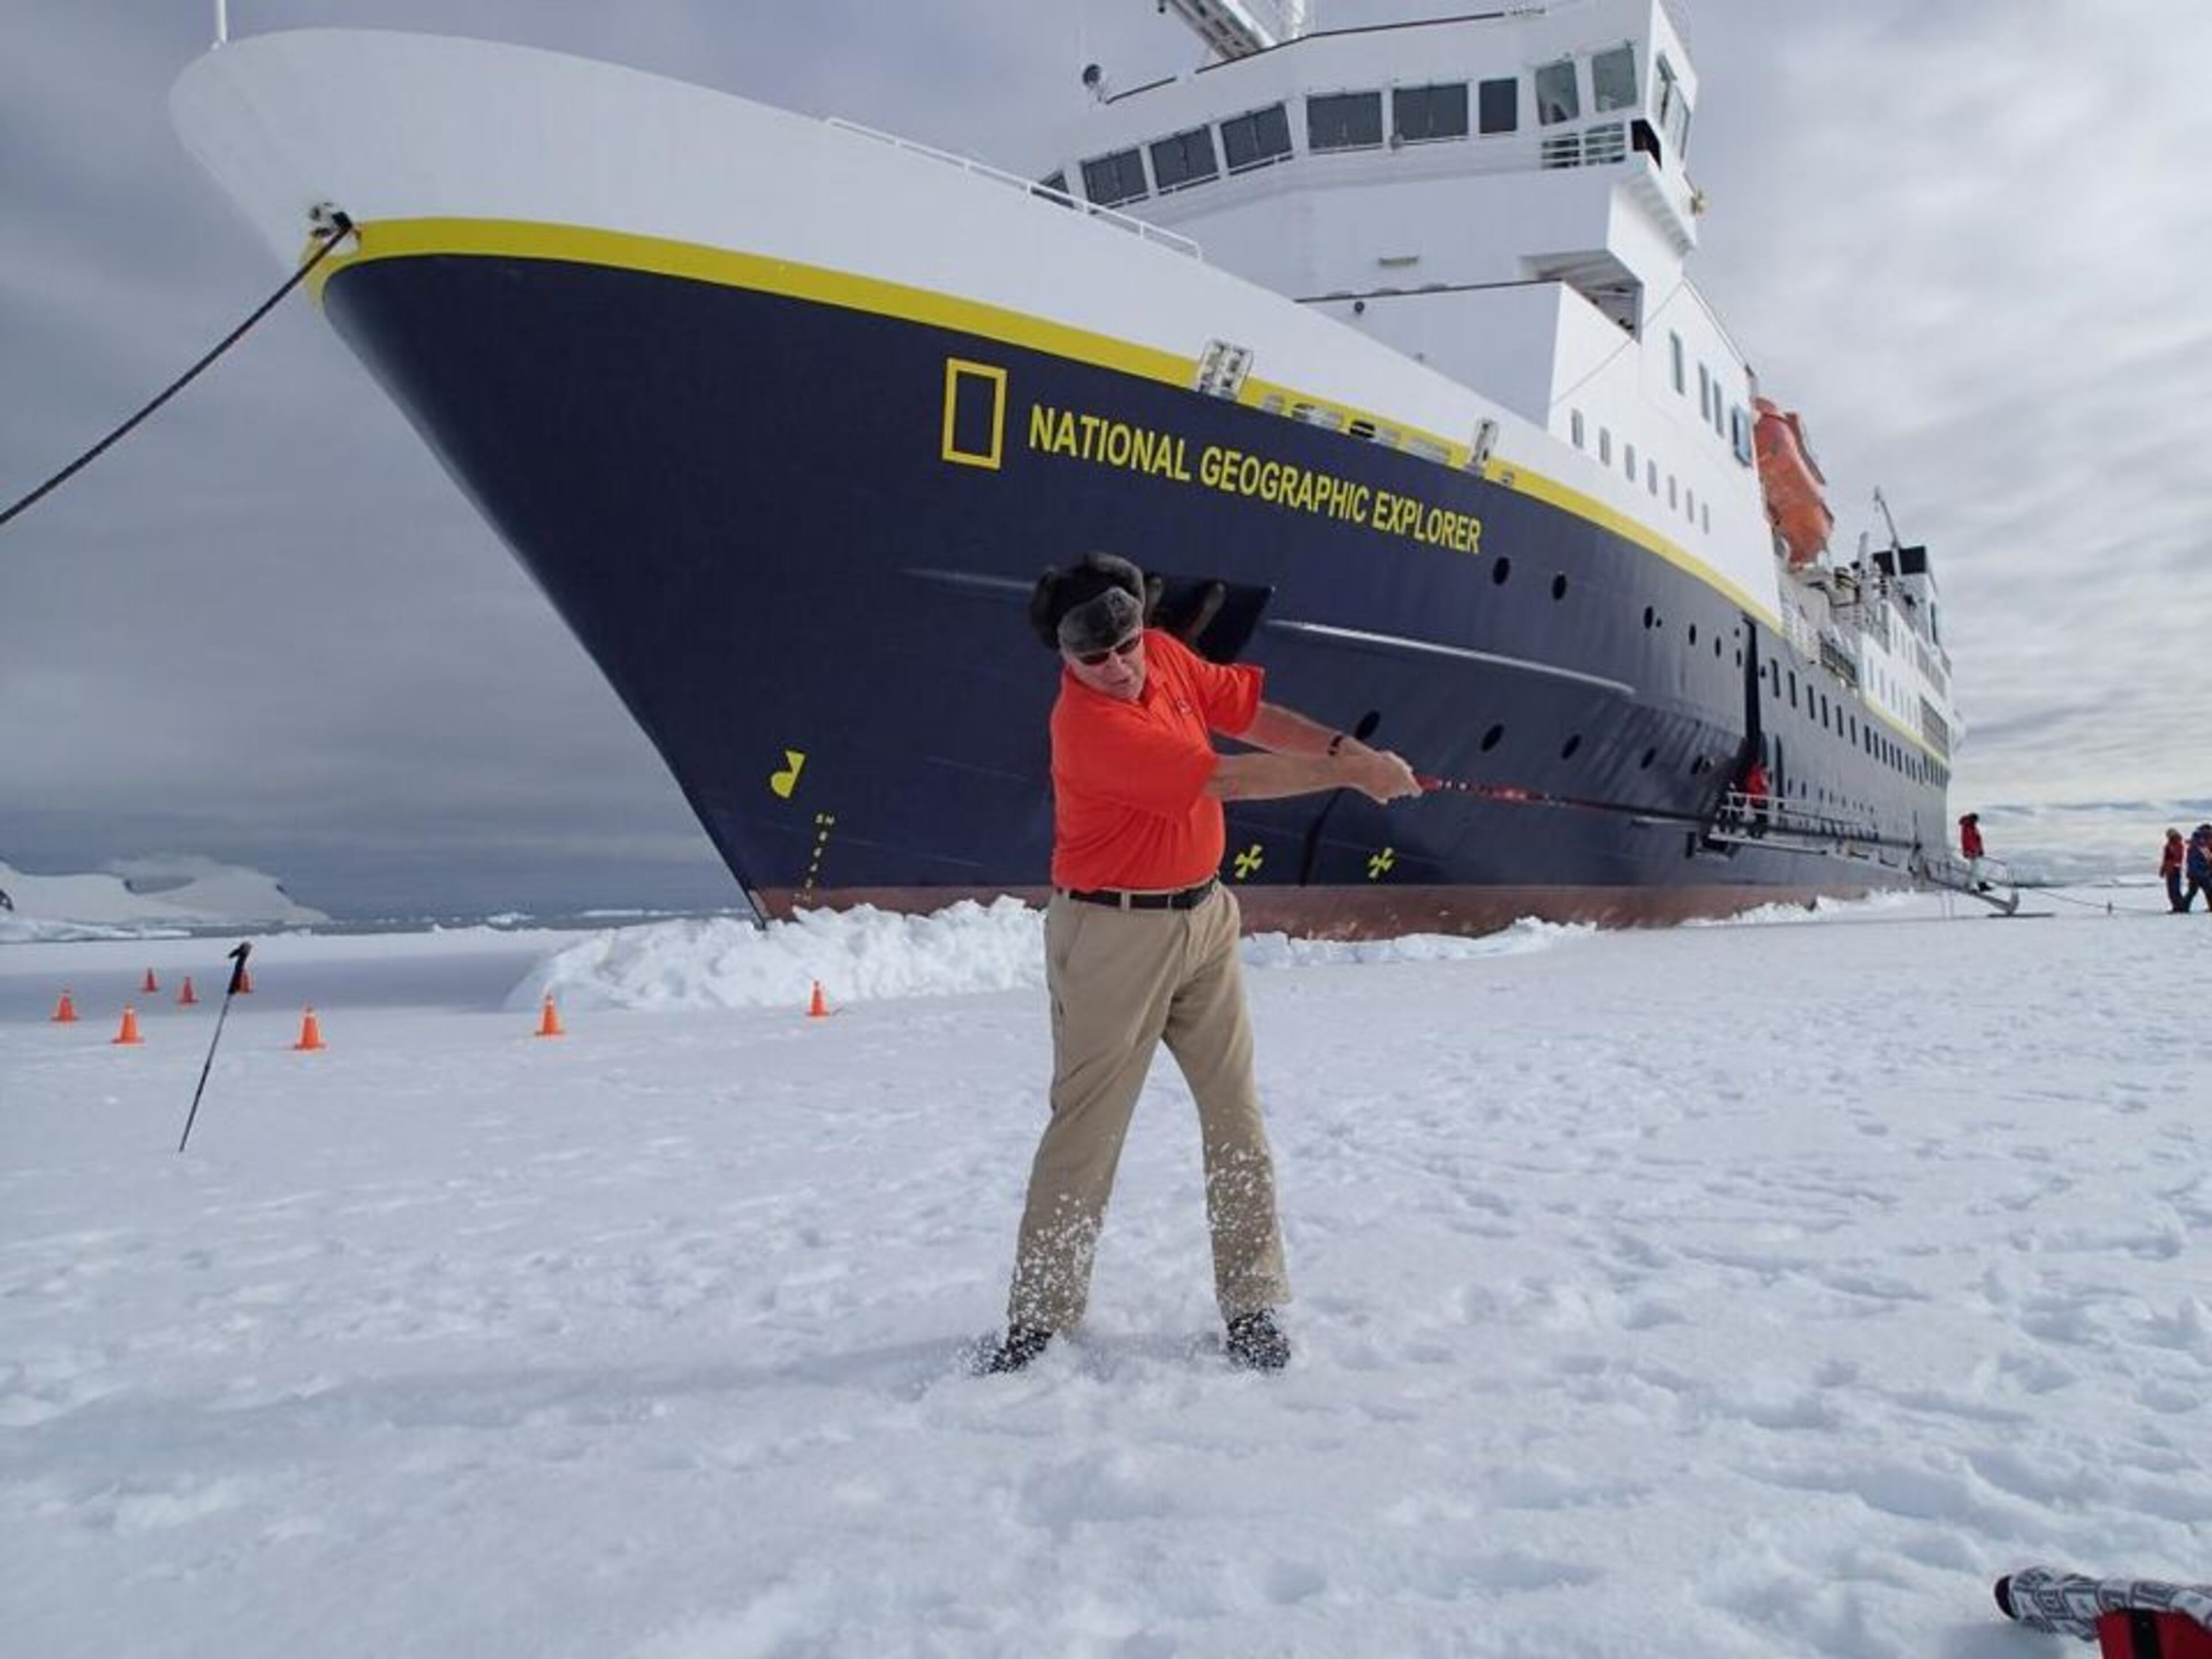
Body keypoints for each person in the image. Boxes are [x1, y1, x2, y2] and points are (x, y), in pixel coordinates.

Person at [982, 552, 1423, 1374]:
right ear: (1065, 660)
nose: (1117, 668)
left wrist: (1340, 746)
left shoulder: (1166, 656)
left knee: (1237, 1117)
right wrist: (1356, 775)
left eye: (1124, 645)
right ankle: (1038, 1320)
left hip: (1205, 919)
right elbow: (1227, 777)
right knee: (1088, 1128)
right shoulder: (1090, 726)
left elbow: (1253, 716)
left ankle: (1253, 1306)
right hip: (1113, 936)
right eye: (1094, 658)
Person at [1741, 755, 1771, 837]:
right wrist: (1760, 793)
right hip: (1757, 800)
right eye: (1765, 769)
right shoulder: (1756, 774)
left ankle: (1756, 833)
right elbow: (1750, 785)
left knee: (1762, 818)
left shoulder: (1761, 775)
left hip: (1760, 800)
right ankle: (1755, 833)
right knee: (1761, 818)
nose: (1766, 771)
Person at [1959, 811, 1988, 891]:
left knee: (1976, 868)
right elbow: (1968, 841)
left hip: (1975, 851)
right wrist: (1974, 851)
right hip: (1970, 852)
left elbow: (1978, 840)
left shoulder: (1973, 827)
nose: (1976, 822)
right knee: (1974, 869)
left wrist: (1981, 850)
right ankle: (1970, 886)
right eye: (1975, 820)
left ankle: (1981, 884)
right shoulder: (1967, 827)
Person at [2187, 825, 2212, 914]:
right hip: (2202, 873)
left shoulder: (2194, 845)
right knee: (2209, 891)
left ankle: (2183, 907)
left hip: (2195, 873)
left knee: (2192, 892)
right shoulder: (2203, 847)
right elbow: (2209, 860)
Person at [2162, 828, 2188, 912]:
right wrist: (2163, 869)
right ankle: (2178, 907)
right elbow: (2166, 859)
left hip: (2174, 869)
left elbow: (2174, 857)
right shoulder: (2170, 844)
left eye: (2169, 834)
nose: (2168, 836)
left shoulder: (2177, 844)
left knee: (2174, 890)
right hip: (2170, 869)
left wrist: (2167, 867)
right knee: (2173, 890)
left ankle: (2179, 907)